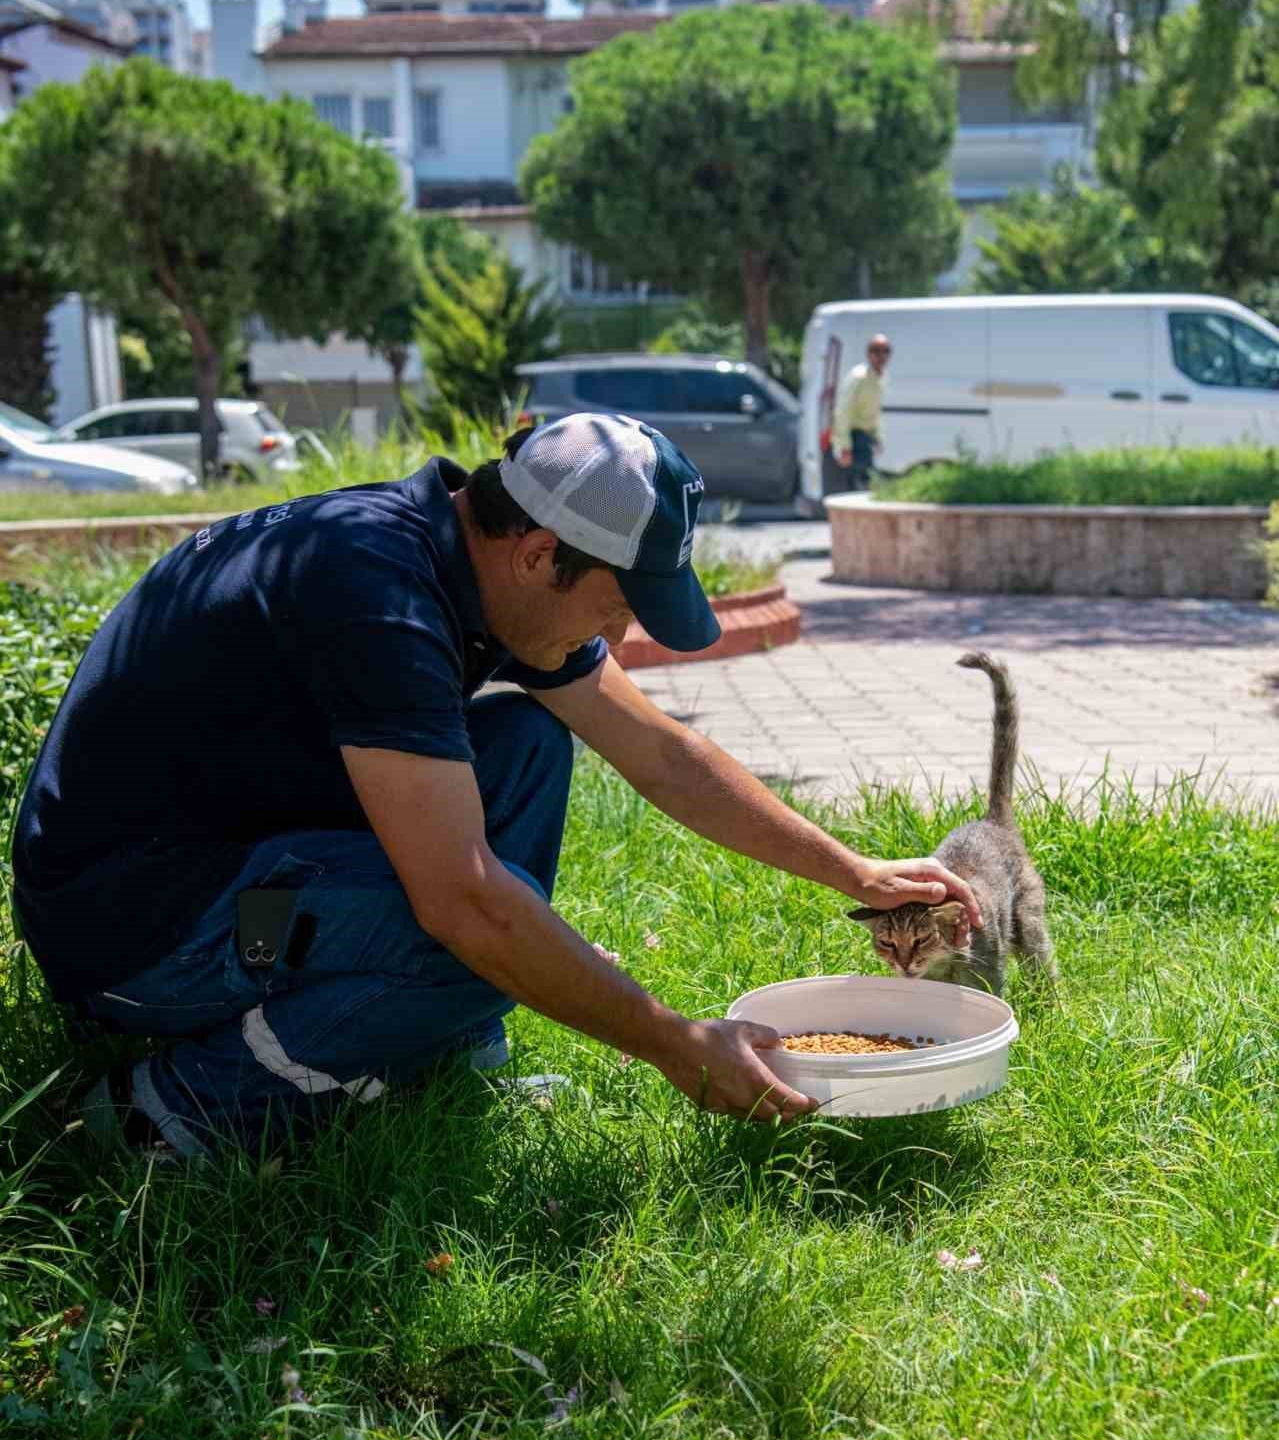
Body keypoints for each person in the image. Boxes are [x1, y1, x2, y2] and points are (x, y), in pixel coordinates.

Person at [13, 413, 979, 1158]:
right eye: (619, 603)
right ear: (539, 553)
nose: (622, 634)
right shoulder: (373, 597)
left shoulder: (466, 557)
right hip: (144, 934)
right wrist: (674, 1043)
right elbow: (465, 903)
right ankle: (165, 1113)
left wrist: (852, 871)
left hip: (244, 867)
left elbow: (659, 753)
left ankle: (431, 1052)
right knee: (476, 934)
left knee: (524, 741)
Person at [825, 333, 891, 496]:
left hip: (866, 439)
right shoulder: (858, 377)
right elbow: (843, 412)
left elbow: (874, 412)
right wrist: (845, 447)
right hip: (854, 439)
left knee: (864, 488)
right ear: (868, 354)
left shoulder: (881, 378)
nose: (881, 356)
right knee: (859, 489)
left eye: (885, 351)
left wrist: (877, 438)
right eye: (876, 351)